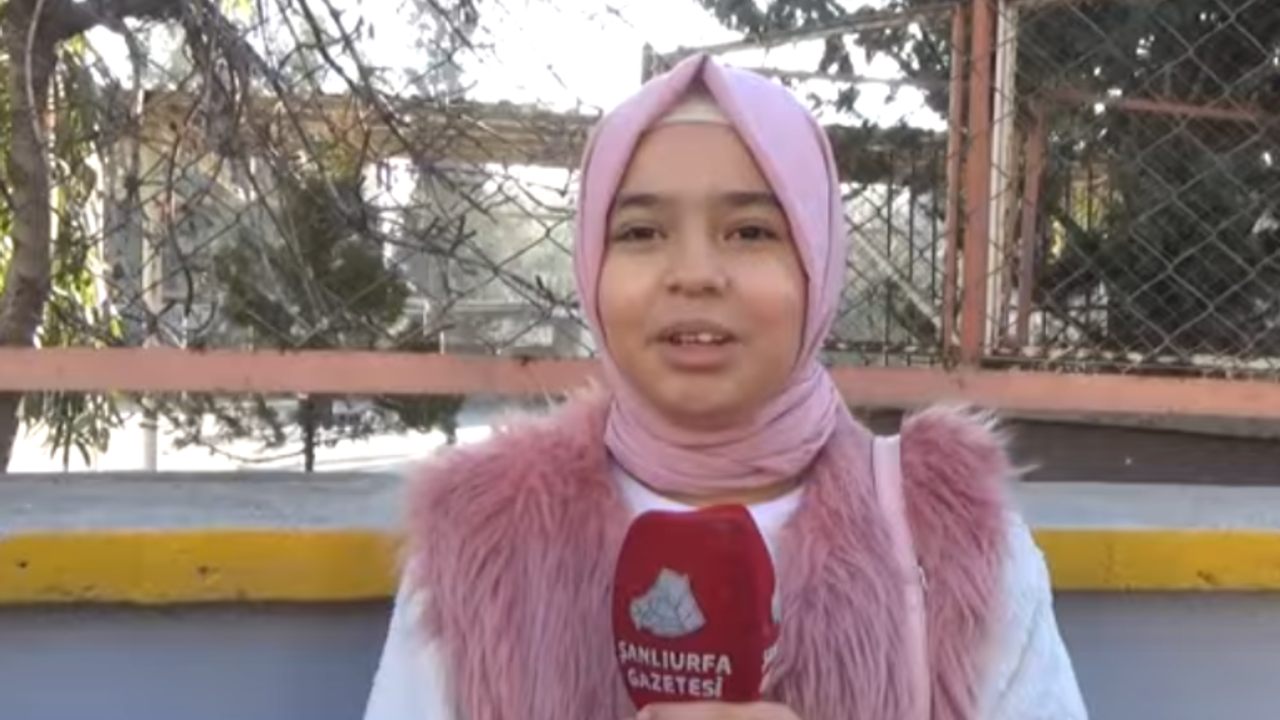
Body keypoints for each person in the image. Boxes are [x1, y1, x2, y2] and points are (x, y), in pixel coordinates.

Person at [362, 53, 1088, 720]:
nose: (695, 274)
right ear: (590, 265)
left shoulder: (954, 541)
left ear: (817, 263)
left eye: (750, 232)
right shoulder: (479, 540)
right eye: (641, 232)